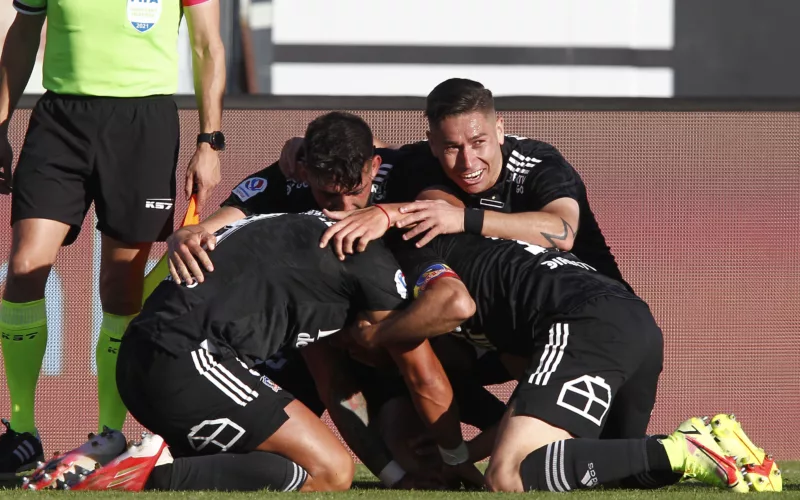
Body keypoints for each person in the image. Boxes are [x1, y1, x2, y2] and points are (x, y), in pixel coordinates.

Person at [165, 111, 505, 488]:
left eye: (356, 193)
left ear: (374, 166)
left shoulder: (403, 168)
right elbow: (219, 224)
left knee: (450, 397)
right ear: (307, 171)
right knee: (274, 459)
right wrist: (189, 233)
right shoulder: (288, 177)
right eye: (328, 195)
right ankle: (157, 462)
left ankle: (519, 427)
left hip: (406, 333)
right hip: (321, 343)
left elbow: (452, 210)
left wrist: (384, 214)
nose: (342, 213)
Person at [39, 210, 476, 492]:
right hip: (186, 358)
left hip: (143, 360)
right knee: (332, 471)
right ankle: (141, 475)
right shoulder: (367, 261)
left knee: (293, 469)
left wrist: (393, 477)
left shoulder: (298, 238)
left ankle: (119, 457)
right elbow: (418, 375)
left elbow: (338, 390)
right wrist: (453, 460)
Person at [352, 202, 755, 492]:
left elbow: (453, 304)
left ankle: (683, 449)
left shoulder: (412, 253)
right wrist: (467, 451)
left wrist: (374, 337)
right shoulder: (500, 298)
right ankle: (717, 444)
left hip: (583, 320)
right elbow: (525, 404)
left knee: (508, 476)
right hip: (633, 319)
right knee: (612, 470)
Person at [0, 0, 225, 477]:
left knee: (121, 289)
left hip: (144, 125)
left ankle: (109, 434)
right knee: (23, 269)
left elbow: (208, 45)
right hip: (60, 120)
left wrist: (211, 139)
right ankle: (23, 432)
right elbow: (22, 34)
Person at [310, 78, 632, 293]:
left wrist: (463, 219)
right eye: (452, 147)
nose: (468, 162)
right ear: (433, 144)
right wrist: (303, 147)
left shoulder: (538, 163)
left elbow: (562, 231)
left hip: (600, 304)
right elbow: (371, 151)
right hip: (515, 310)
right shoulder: (425, 161)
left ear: (500, 130)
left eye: (479, 142)